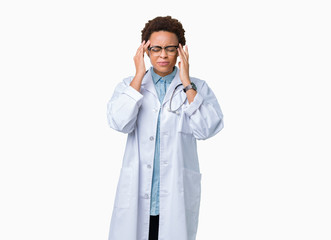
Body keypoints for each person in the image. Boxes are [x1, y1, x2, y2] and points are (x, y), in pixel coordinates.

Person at [107, 16, 224, 240]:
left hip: (175, 194)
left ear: (180, 51)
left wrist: (187, 82)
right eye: (156, 49)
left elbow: (207, 129)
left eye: (170, 48)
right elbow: (119, 123)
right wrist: (139, 75)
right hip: (138, 192)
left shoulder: (197, 87)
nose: (163, 55)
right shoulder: (129, 85)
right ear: (145, 50)